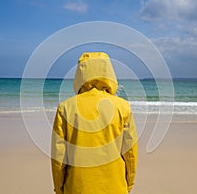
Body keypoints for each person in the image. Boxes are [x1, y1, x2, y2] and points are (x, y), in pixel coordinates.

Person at [51, 52, 138, 194]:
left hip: (76, 188)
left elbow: (58, 156)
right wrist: (128, 183)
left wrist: (59, 188)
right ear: (109, 73)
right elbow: (130, 153)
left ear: (80, 74)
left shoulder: (65, 108)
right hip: (115, 187)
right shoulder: (123, 107)